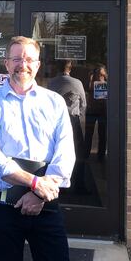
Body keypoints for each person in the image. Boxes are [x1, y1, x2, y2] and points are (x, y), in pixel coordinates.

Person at [0, 36, 76, 261]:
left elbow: (65, 154)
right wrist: (34, 183)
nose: (23, 64)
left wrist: (39, 195)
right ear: (7, 63)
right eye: (17, 58)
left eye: (29, 59)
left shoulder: (54, 102)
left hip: (46, 205)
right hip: (3, 206)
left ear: (38, 64)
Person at [47, 60, 87, 191]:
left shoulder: (51, 82)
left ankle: (56, 183)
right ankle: (79, 183)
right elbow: (83, 104)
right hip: (72, 120)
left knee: (55, 150)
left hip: (54, 120)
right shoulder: (77, 82)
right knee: (77, 151)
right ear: (71, 68)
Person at [84, 65, 108, 162]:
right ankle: (86, 154)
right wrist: (90, 78)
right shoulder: (92, 83)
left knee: (102, 134)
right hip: (92, 111)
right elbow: (87, 88)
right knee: (89, 134)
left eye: (102, 75)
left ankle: (101, 156)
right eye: (98, 74)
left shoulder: (106, 83)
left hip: (102, 111)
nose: (100, 77)